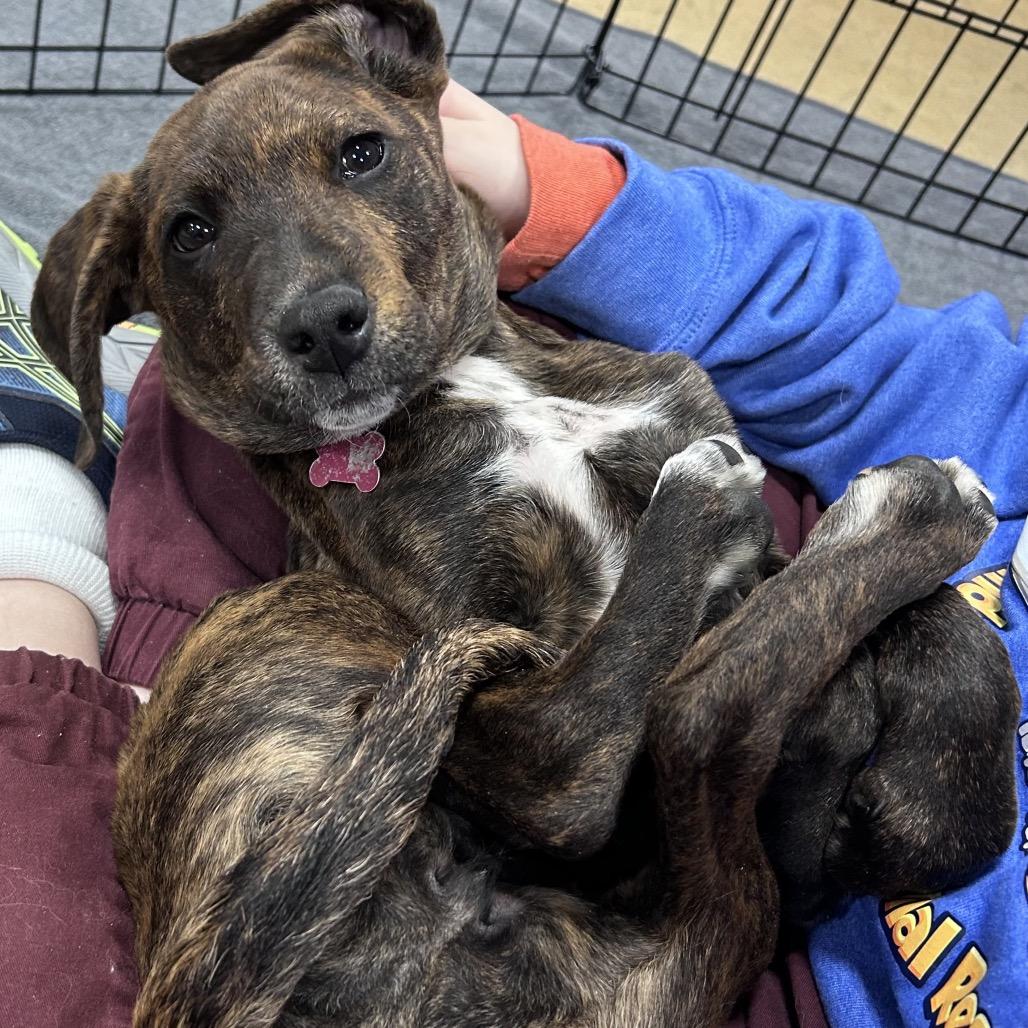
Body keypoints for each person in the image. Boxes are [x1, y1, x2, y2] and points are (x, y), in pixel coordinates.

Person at [0, 80, 1024, 1027]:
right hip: (672, 725)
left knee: (51, 894)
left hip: (662, 888)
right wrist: (562, 191)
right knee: (196, 456)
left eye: (358, 156)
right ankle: (52, 476)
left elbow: (550, 779)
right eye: (190, 230)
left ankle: (33, 494)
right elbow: (870, 347)